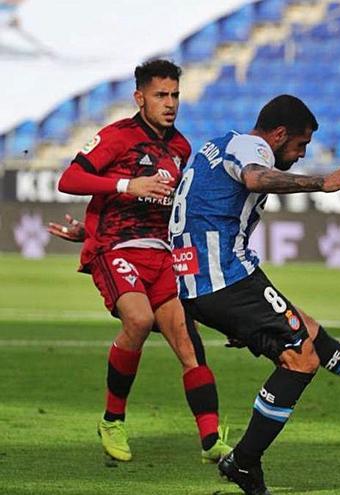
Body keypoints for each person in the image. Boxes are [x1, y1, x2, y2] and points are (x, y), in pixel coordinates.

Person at [170, 94, 340, 495]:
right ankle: (244, 462)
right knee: (301, 359)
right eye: (300, 146)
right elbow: (254, 177)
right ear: (279, 134)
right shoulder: (251, 148)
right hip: (224, 279)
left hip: (206, 280)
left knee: (313, 336)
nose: (301, 155)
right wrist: (323, 182)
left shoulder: (217, 144)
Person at [55, 59, 231, 463]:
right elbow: (69, 179)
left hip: (161, 254)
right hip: (115, 248)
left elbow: (173, 209)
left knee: (189, 343)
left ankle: (210, 441)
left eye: (175, 95)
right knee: (138, 319)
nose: (170, 103)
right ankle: (112, 419)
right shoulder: (117, 137)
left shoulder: (182, 148)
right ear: (140, 98)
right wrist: (126, 185)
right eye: (160, 95)